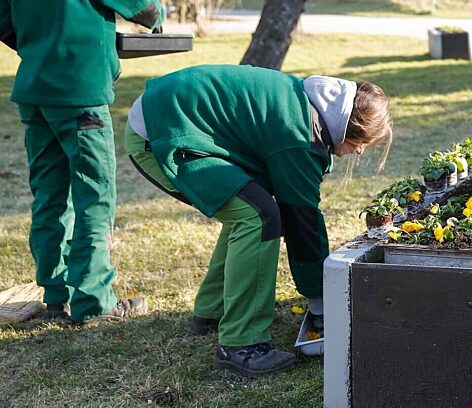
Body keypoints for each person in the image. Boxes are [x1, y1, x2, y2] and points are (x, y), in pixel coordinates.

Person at [125, 64, 392, 377]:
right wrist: (322, 305)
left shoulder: (313, 106)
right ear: (350, 128)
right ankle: (241, 345)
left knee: (249, 207)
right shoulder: (302, 136)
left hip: (170, 117)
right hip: (164, 133)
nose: (359, 152)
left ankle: (213, 311)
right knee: (257, 216)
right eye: (362, 144)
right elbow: (302, 222)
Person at [0, 0, 164, 324]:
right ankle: (92, 303)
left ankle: (54, 297)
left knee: (48, 197)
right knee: (93, 197)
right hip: (82, 98)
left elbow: (2, 23)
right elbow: (144, 7)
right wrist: (156, 19)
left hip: (34, 96)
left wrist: (40, 45)